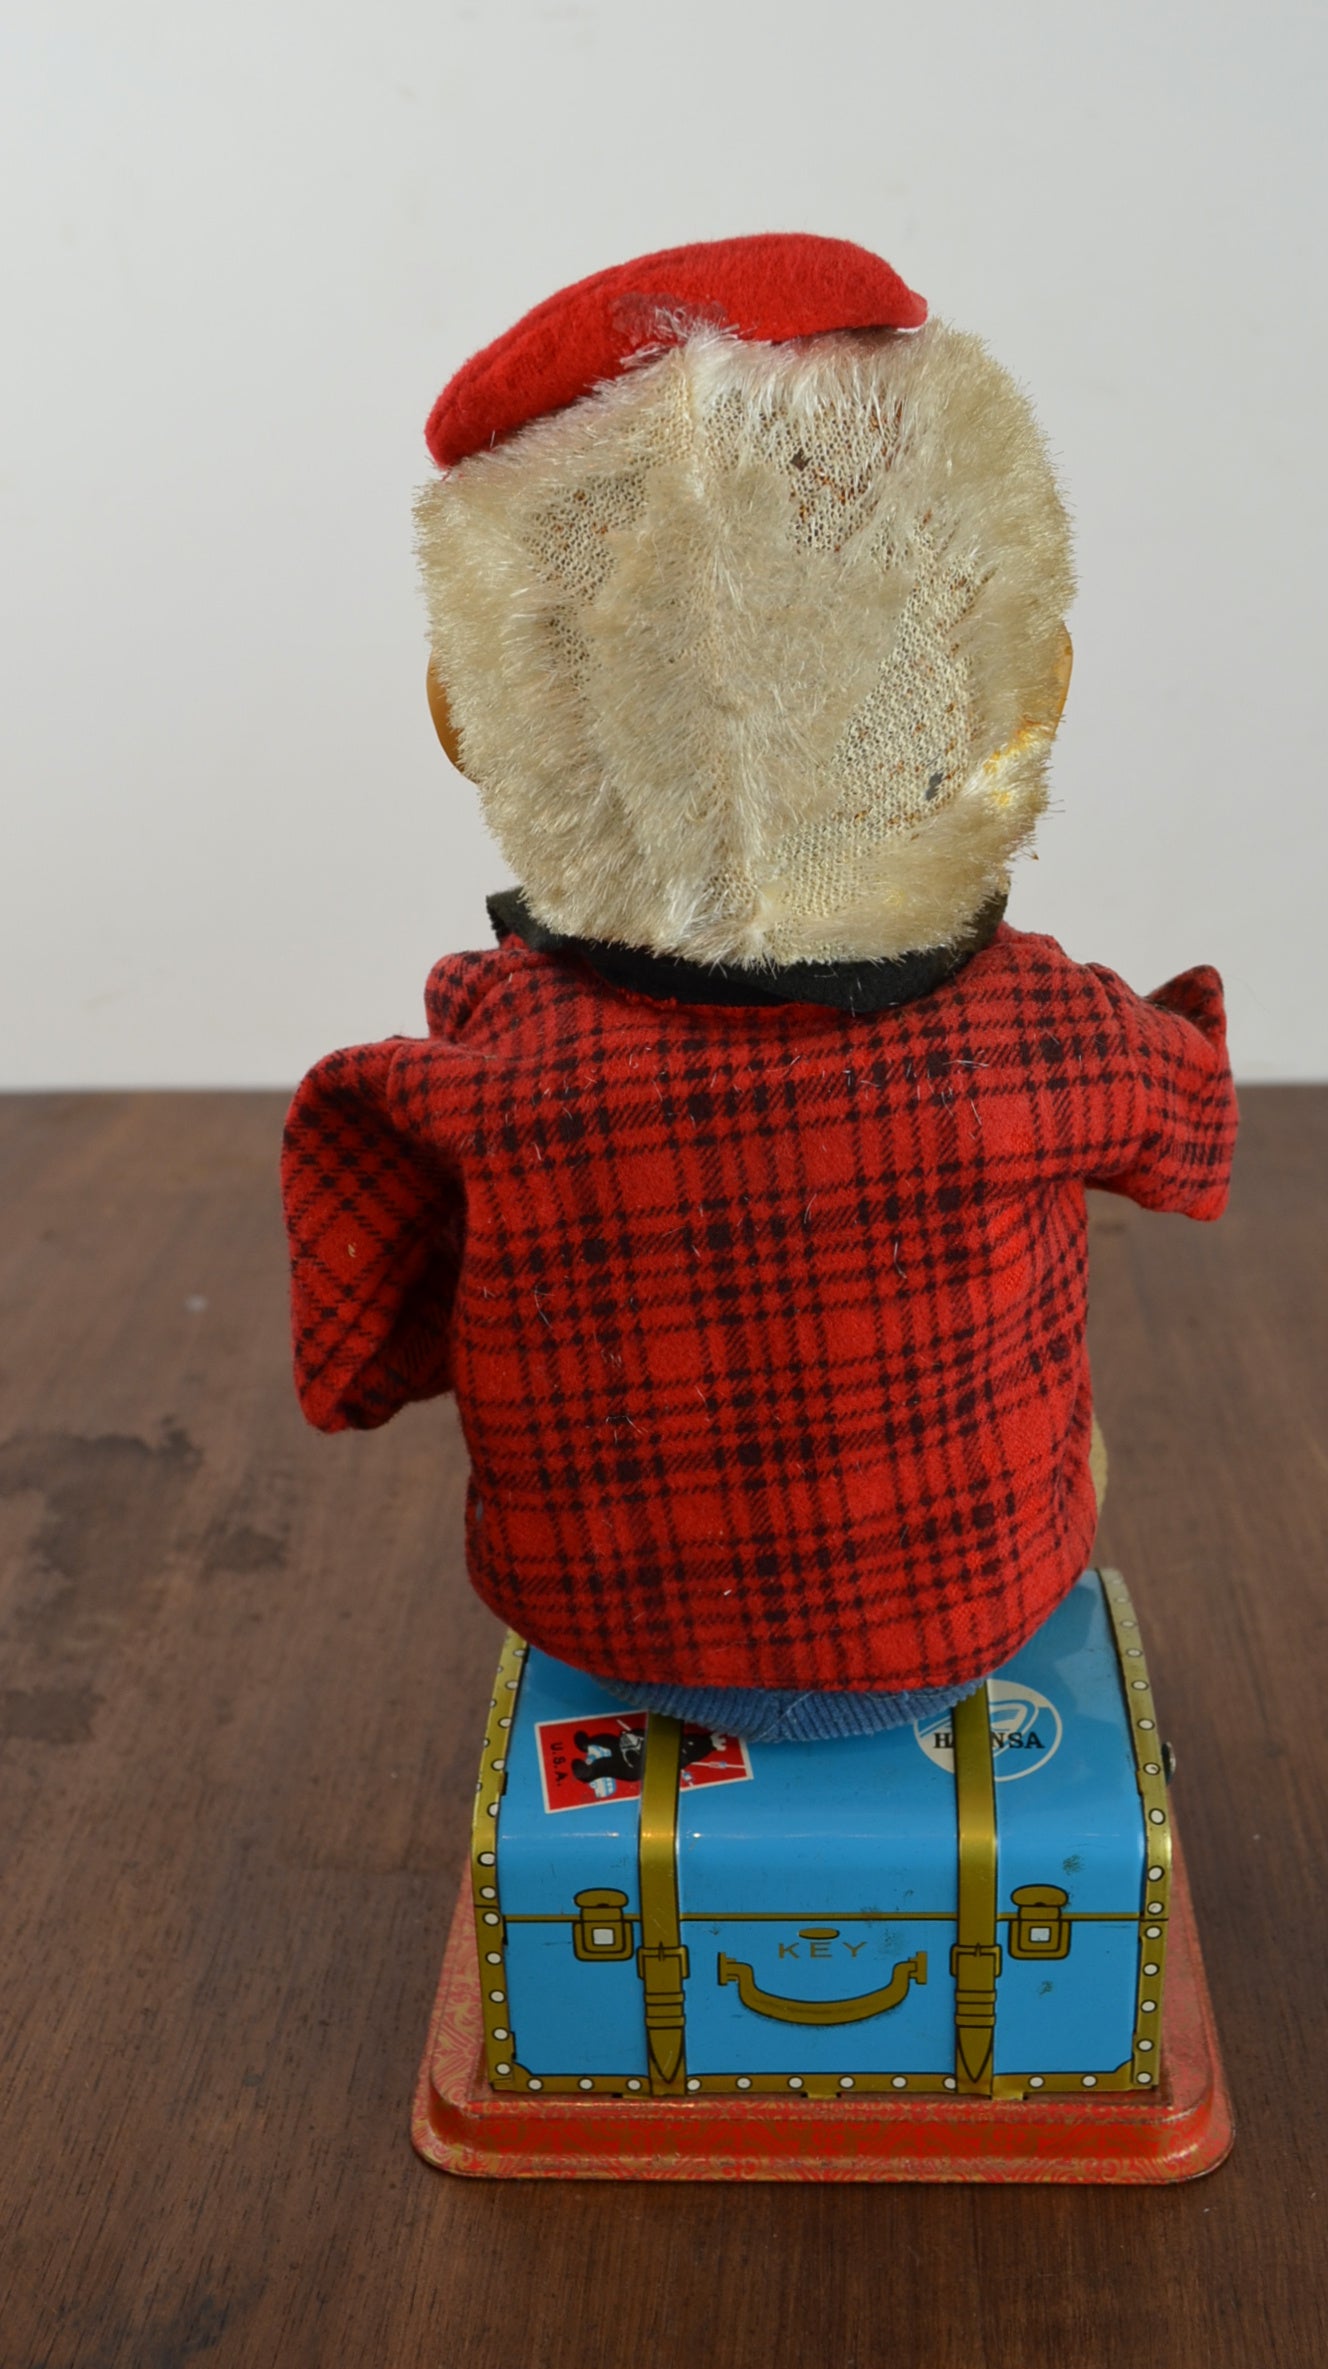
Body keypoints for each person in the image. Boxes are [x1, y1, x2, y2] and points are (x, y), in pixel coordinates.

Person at [282, 235, 1236, 1743]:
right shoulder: (1034, 1030)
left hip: (603, 1630)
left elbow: (367, 1327)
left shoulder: (495, 1053)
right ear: (1037, 683)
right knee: (1070, 1435)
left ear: (459, 717)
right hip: (961, 1618)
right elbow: (1195, 1130)